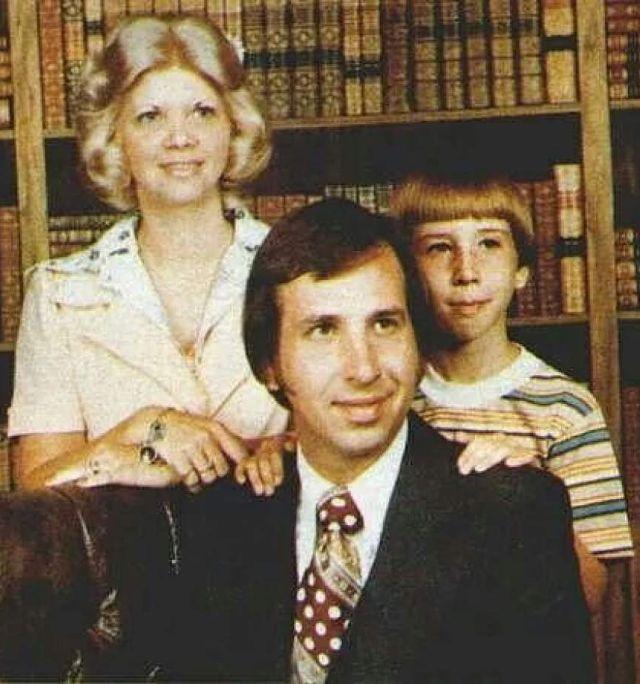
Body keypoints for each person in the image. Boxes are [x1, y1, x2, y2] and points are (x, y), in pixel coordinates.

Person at [169, 198, 595, 682]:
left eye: (385, 324)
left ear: (418, 342)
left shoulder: (511, 512)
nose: (364, 368)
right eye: (323, 330)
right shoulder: (221, 518)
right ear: (270, 365)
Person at [8, 14, 288, 492]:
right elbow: (37, 492)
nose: (180, 137)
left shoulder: (296, 268)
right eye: (150, 116)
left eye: (202, 112)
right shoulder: (59, 294)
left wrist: (289, 450)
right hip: (120, 543)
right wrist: (143, 429)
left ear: (234, 126)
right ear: (114, 138)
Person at [389, 176, 634, 612]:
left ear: (522, 270)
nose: (466, 272)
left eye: (488, 244)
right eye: (440, 248)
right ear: (407, 273)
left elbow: (594, 594)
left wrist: (532, 496)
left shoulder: (566, 409)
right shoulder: (389, 401)